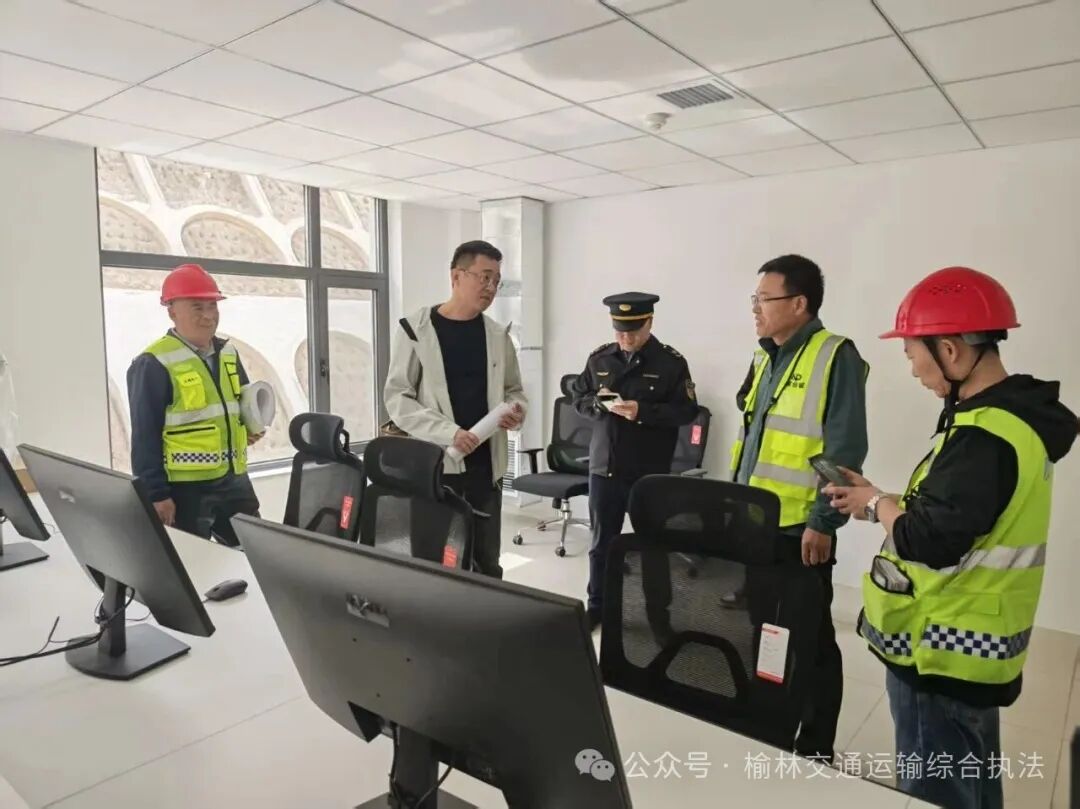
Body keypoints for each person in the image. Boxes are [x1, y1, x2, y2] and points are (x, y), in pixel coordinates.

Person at [824, 266, 1077, 809]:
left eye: (912, 354)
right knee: (973, 779)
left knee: (936, 788)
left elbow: (929, 541)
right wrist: (876, 500)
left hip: (941, 651)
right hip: (975, 645)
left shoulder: (982, 438)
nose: (913, 369)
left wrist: (878, 504)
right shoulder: (1010, 423)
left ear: (950, 351)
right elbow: (958, 516)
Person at [731, 254, 868, 764]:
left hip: (799, 531)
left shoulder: (836, 356)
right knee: (763, 633)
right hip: (755, 522)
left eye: (764, 299)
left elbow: (844, 449)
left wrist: (823, 522)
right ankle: (768, 726)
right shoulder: (764, 355)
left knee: (810, 640)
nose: (755, 309)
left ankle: (815, 747)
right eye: (754, 299)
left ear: (799, 303)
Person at [383, 240, 527, 579]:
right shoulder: (415, 330)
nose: (491, 288)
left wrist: (517, 411)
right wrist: (450, 433)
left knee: (486, 565)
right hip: (437, 467)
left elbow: (514, 390)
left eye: (497, 281)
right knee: (434, 563)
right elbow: (398, 398)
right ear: (456, 276)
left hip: (486, 469)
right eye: (484, 277)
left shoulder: (498, 336)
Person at [571, 292, 698, 632]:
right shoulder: (600, 358)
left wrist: (643, 411)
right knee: (601, 546)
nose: (625, 338)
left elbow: (687, 411)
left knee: (653, 548)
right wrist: (598, 405)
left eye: (633, 331)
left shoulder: (670, 363)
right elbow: (579, 396)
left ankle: (659, 617)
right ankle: (597, 607)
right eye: (619, 331)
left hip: (648, 475)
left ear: (649, 323)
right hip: (605, 468)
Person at [127, 263, 262, 547]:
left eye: (213, 306)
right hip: (185, 489)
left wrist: (249, 427)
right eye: (197, 307)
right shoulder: (153, 362)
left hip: (234, 479)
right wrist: (156, 494)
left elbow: (236, 406)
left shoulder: (228, 353)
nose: (208, 315)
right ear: (172, 311)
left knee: (255, 552)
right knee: (193, 560)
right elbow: (144, 435)